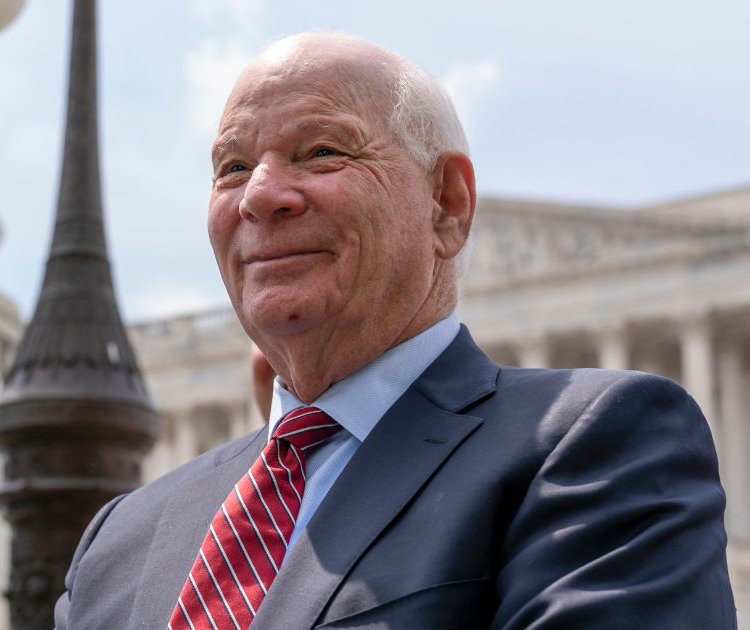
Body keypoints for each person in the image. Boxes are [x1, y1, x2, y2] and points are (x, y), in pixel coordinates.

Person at [53, 33, 735, 629]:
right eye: (232, 167)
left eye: (320, 151)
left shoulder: (598, 447)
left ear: (447, 204)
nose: (259, 194)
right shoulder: (118, 543)